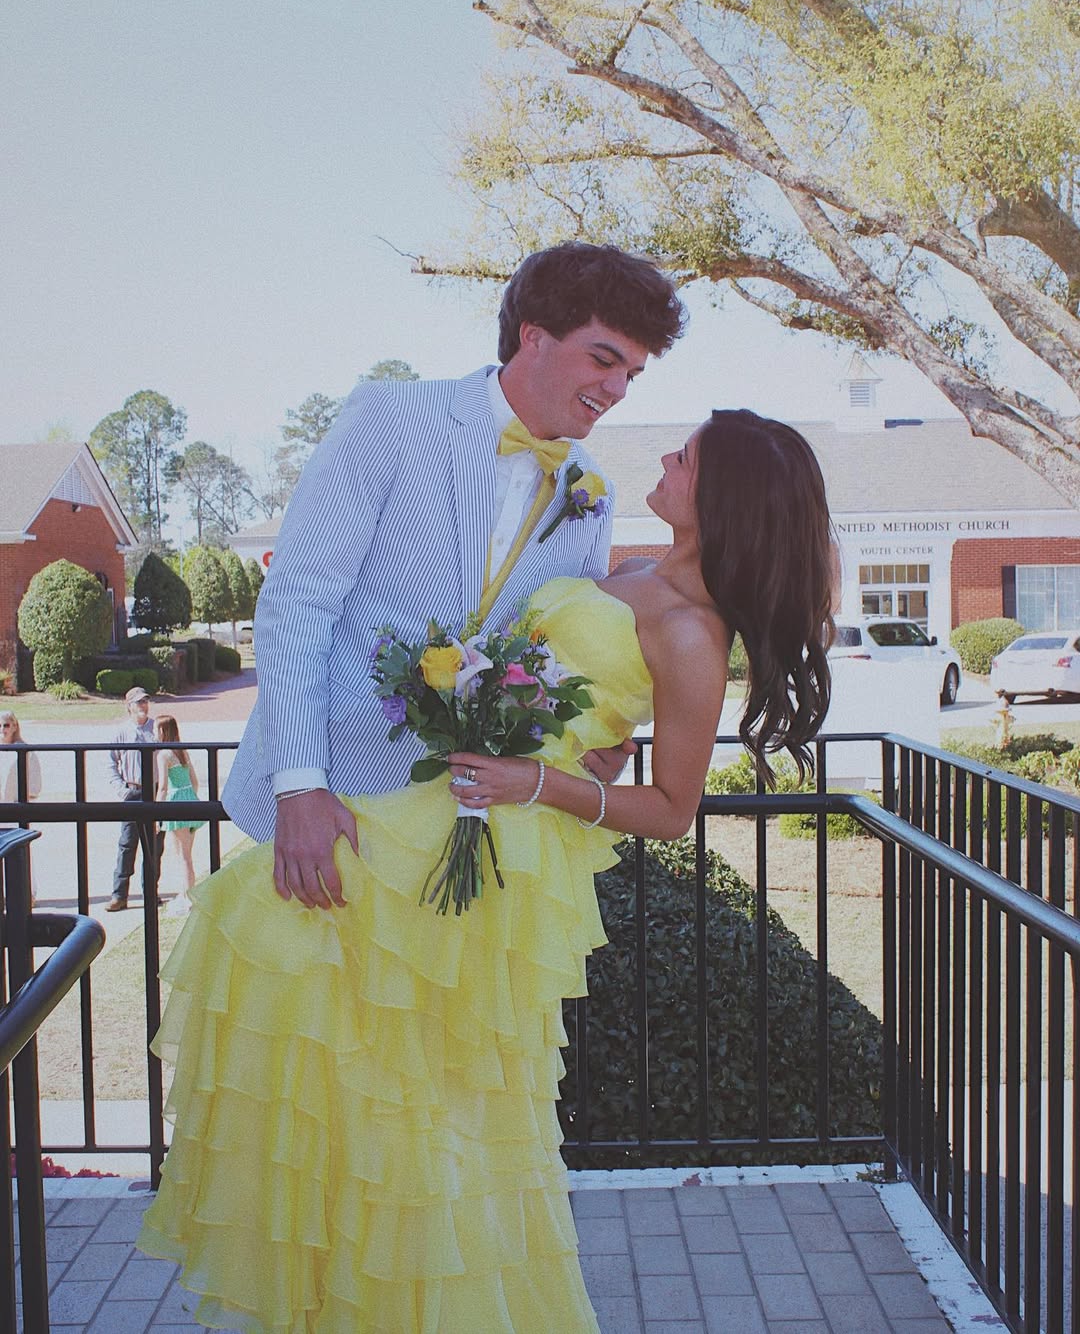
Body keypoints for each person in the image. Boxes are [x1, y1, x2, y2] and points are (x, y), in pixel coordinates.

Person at [137, 409, 836, 1332]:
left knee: (435, 1091)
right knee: (354, 1035)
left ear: (726, 498)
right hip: (452, 808)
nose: (667, 459)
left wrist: (540, 779)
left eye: (688, 457)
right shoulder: (631, 567)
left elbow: (674, 809)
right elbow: (586, 707)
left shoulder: (694, 636)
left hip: (509, 849)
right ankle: (353, 1286)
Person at [220, 241, 687, 911]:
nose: (617, 391)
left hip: (472, 834)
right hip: (331, 808)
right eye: (604, 360)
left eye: (632, 375)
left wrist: (600, 738)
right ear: (533, 336)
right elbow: (297, 605)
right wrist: (299, 786)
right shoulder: (390, 418)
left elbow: (558, 648)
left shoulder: (593, 491)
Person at [105, 686, 164, 912]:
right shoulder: (122, 732)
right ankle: (119, 895)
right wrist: (122, 790)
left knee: (154, 846)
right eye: (139, 702)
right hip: (132, 791)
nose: (143, 706)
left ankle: (150, 893)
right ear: (129, 706)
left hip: (155, 791)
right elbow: (110, 763)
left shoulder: (156, 728)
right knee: (127, 845)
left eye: (145, 701)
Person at [153, 715, 202, 918]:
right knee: (187, 854)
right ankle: (186, 893)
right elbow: (195, 781)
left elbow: (163, 786)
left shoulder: (163, 755)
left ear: (162, 731)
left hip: (175, 801)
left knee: (182, 856)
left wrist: (156, 813)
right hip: (190, 798)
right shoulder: (182, 751)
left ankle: (188, 897)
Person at [0, 710, 42, 805]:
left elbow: (35, 788)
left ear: (14, 727)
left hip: (16, 808)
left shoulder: (26, 752)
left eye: (6, 725)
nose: (2, 729)